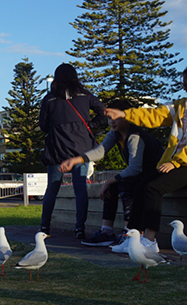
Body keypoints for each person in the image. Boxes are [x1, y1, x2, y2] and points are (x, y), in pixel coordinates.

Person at [60, 99, 164, 247]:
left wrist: (109, 181)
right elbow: (100, 151)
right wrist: (76, 160)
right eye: (109, 118)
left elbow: (135, 168)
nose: (112, 122)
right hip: (140, 173)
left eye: (116, 117)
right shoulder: (115, 134)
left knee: (126, 185)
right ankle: (107, 232)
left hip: (156, 171)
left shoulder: (135, 136)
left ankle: (129, 232)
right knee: (113, 187)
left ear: (128, 117)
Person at [104, 66, 187, 251]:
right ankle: (133, 239)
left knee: (153, 188)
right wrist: (125, 113)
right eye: (184, 84)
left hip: (183, 164)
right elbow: (154, 115)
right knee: (141, 186)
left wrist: (176, 162)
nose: (185, 87)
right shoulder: (181, 106)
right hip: (177, 164)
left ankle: (149, 242)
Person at [39, 63, 106, 238]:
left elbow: (43, 126)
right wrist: (89, 126)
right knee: (80, 188)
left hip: (56, 148)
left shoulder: (49, 98)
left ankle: (44, 228)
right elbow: (103, 112)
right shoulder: (85, 95)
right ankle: (79, 228)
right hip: (81, 148)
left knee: (52, 188)